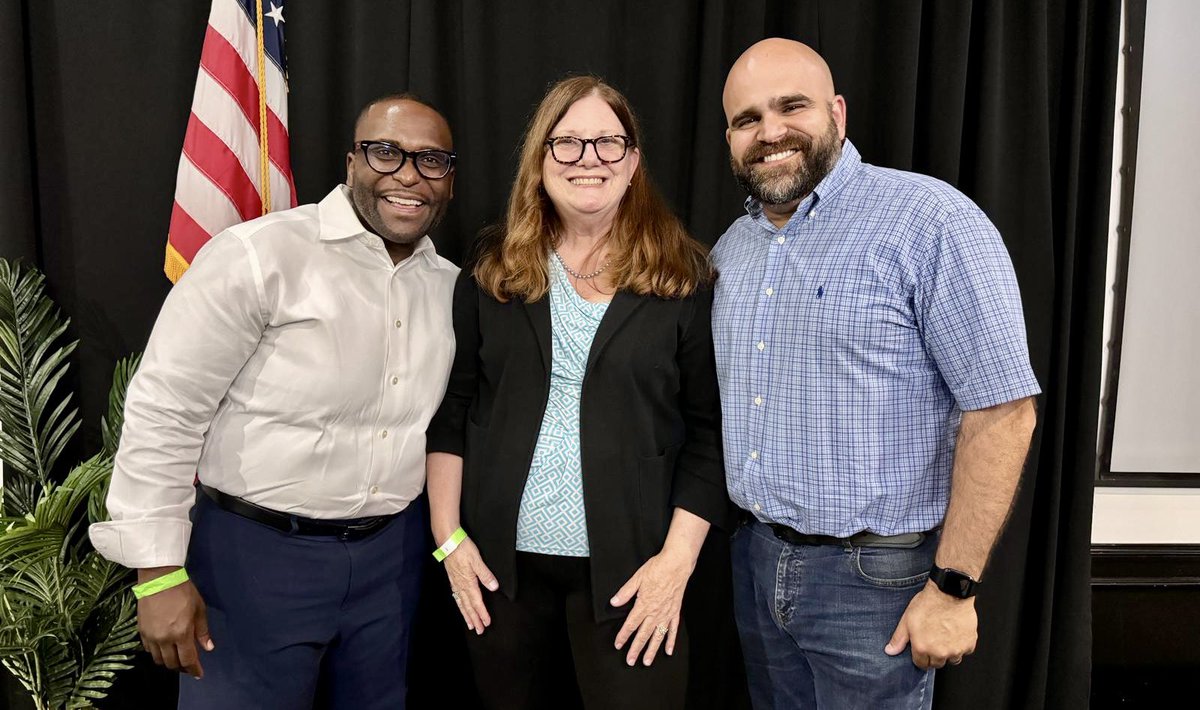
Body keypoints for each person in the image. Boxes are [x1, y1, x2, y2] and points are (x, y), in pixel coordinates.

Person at [88, 94, 460, 709]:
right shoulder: (260, 257)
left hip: (390, 565)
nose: (408, 175)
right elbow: (166, 406)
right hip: (252, 559)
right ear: (350, 163)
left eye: (431, 161)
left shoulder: (450, 289)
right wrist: (156, 572)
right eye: (385, 153)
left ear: (449, 180)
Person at [711, 38, 1041, 709]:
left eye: (790, 107)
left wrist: (953, 588)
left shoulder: (931, 222)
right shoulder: (731, 249)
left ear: (836, 111)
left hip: (875, 583)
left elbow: (1004, 413)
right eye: (748, 119)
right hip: (754, 562)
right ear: (729, 137)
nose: (770, 132)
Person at [424, 75, 729, 710]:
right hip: (499, 573)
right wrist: (449, 539)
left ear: (633, 160)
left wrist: (676, 565)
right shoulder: (492, 270)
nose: (589, 158)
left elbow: (708, 436)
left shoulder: (683, 277)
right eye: (567, 143)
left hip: (636, 573)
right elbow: (454, 410)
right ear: (540, 160)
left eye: (608, 142)